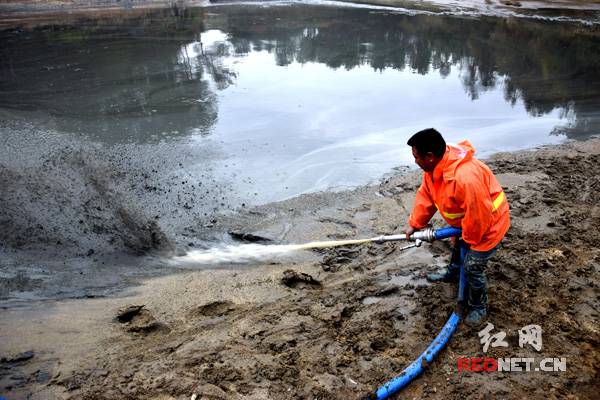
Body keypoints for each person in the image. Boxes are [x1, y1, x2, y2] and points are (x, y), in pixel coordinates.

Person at [404, 128, 510, 326]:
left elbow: (478, 214)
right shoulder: (434, 168)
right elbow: (427, 195)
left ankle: (479, 306)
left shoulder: (464, 177)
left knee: (472, 266)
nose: (415, 162)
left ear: (429, 156)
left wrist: (469, 241)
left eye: (416, 157)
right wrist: (415, 224)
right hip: (467, 220)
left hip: (489, 223)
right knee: (457, 247)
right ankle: (452, 275)